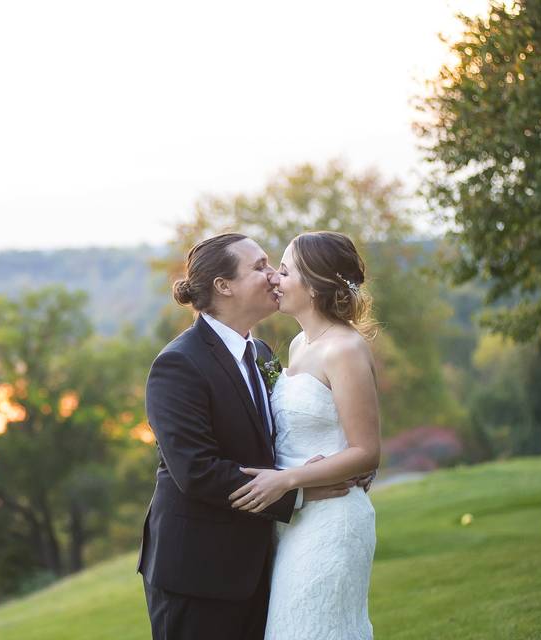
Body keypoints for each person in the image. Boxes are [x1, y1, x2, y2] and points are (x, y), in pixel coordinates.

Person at [137, 232, 366, 640]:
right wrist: (297, 492)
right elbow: (196, 471)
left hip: (263, 561)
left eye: (274, 266)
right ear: (223, 287)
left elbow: (282, 439)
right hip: (198, 571)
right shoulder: (178, 365)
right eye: (259, 267)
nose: (273, 275)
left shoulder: (261, 353)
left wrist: (337, 461)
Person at [229, 230, 380, 639]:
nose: (274, 279)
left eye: (285, 271)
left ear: (313, 286)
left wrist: (287, 479)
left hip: (332, 520)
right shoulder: (298, 345)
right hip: (295, 521)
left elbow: (366, 452)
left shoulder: (344, 349)